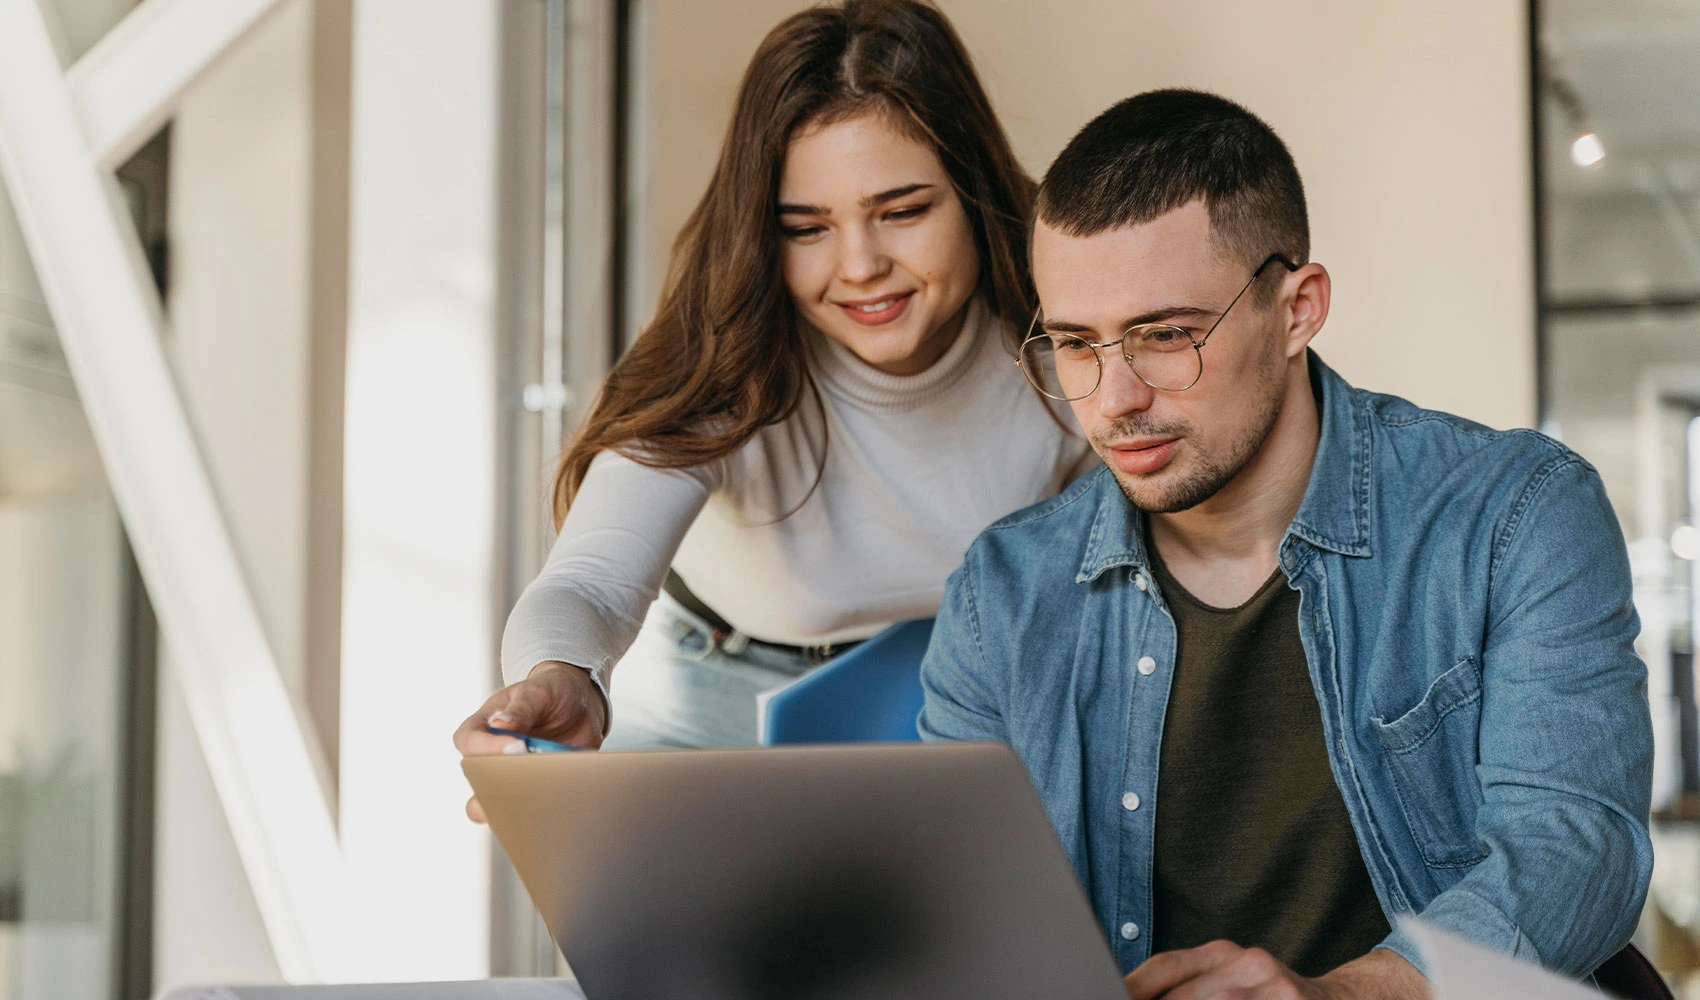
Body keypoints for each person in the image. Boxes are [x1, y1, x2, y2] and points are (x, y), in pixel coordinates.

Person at [918, 89, 1653, 999]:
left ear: (1298, 310)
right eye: (1076, 343)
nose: (1113, 399)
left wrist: (1340, 997)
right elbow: (962, 918)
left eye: (1165, 335)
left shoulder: (1514, 514)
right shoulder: (1003, 593)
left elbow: (1578, 850)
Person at [453, 0, 1092, 803]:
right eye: (805, 227)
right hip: (708, 689)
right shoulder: (729, 359)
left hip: (959, 687)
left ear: (973, 189)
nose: (859, 265)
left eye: (902, 212)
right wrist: (560, 676)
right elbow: (589, 583)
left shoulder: (1072, 340)